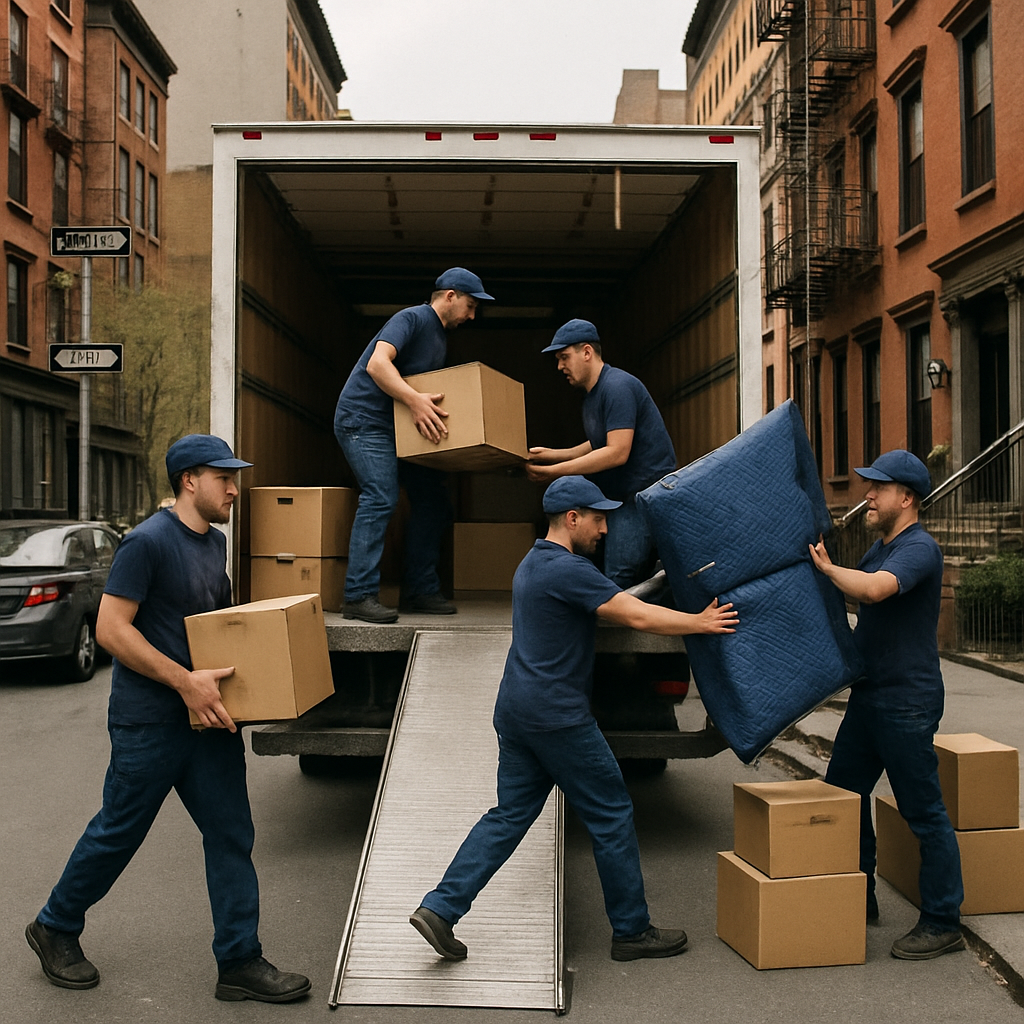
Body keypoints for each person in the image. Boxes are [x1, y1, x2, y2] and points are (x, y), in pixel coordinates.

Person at [25, 434, 311, 1003]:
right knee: (119, 831)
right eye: (222, 477)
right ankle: (55, 925)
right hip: (150, 721)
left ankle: (239, 960)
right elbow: (110, 630)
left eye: (235, 476)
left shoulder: (215, 544)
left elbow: (216, 628)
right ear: (188, 480)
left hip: (208, 720)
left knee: (231, 834)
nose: (235, 487)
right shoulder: (146, 543)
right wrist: (183, 682)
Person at [410, 476, 738, 963]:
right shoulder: (567, 570)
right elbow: (635, 615)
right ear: (572, 518)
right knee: (611, 812)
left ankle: (440, 908)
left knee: (510, 813)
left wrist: (662, 579)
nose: (605, 528)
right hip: (556, 717)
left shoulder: (535, 563)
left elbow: (610, 598)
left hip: (517, 711)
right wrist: (699, 622)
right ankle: (631, 930)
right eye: (598, 518)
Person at [808, 449, 965, 961]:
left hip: (906, 703)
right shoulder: (881, 548)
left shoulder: (919, 549)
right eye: (867, 485)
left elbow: (874, 591)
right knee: (844, 798)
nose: (867, 495)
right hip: (871, 697)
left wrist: (831, 570)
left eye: (878, 487)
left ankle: (943, 921)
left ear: (907, 497)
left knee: (923, 813)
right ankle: (860, 897)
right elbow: (863, 591)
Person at [333, 268, 495, 624]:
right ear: (449, 296)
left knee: (434, 501)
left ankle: (419, 590)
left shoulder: (438, 335)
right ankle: (357, 596)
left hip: (398, 430)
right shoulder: (414, 318)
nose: (471, 316)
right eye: (470, 306)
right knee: (381, 497)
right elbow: (378, 364)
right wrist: (415, 401)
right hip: (364, 421)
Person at [526, 319, 676, 588]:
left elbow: (617, 452)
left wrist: (552, 473)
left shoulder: (617, 387)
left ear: (586, 352)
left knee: (620, 579)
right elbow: (600, 442)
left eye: (564, 357)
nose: (560, 367)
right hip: (618, 497)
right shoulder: (592, 395)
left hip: (640, 497)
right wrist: (554, 454)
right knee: (614, 575)